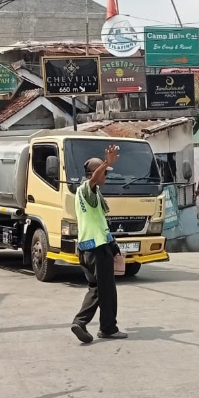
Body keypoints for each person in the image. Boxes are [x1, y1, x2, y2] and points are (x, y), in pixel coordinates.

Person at [70, 145, 128, 344]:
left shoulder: (88, 194)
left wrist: (113, 246)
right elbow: (94, 179)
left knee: (96, 288)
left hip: (88, 248)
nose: (106, 176)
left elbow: (99, 223)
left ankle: (80, 323)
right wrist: (106, 163)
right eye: (105, 173)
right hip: (96, 250)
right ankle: (107, 328)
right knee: (107, 290)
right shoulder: (87, 190)